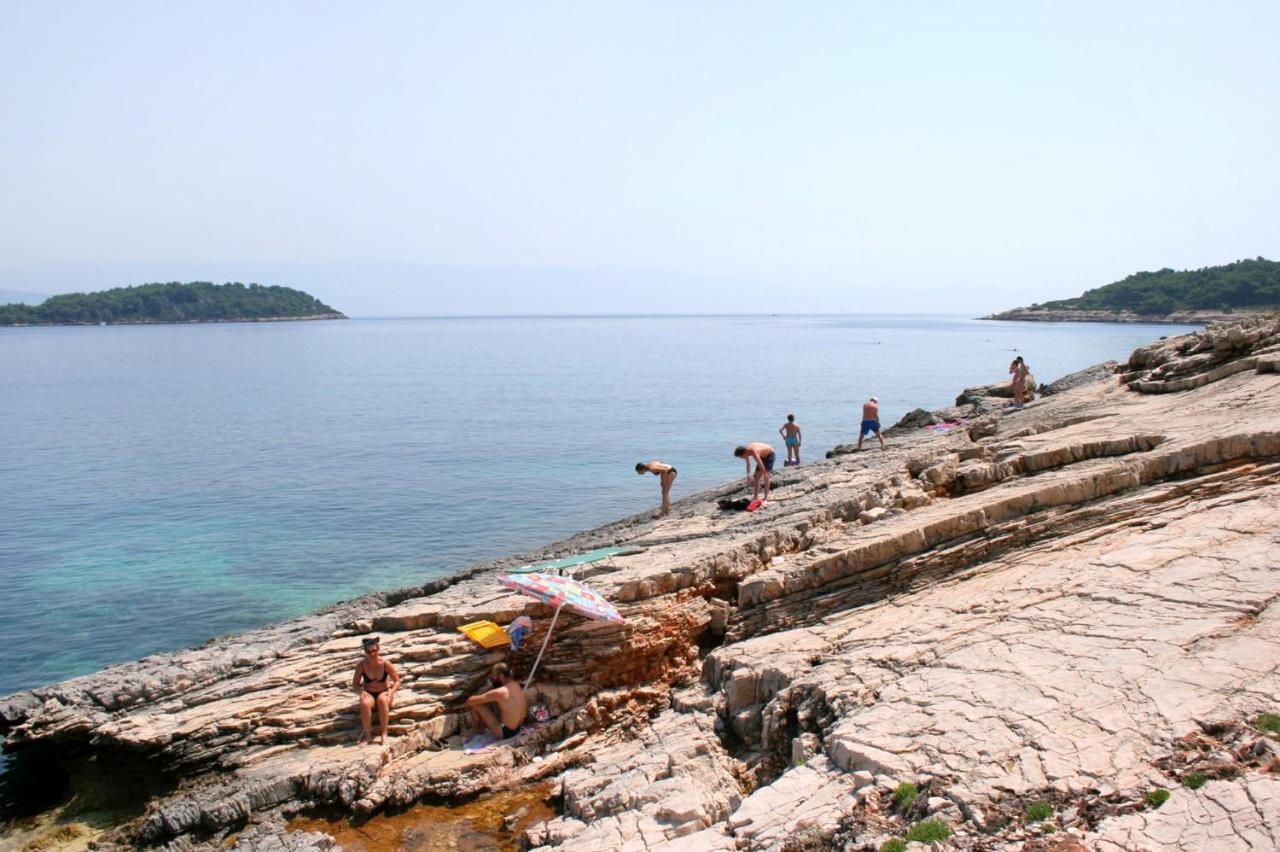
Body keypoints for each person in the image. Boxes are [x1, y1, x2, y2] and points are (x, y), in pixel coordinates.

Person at [351, 636, 400, 746]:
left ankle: (384, 734)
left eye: (374, 650)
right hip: (369, 692)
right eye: (369, 652)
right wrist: (360, 692)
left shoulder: (385, 663)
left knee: (382, 700)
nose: (372, 654)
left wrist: (391, 692)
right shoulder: (361, 665)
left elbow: (397, 681)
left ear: (378, 649)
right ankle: (368, 735)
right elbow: (355, 684)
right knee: (364, 702)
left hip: (384, 691)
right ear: (365, 652)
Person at [465, 663, 528, 740]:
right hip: (518, 728)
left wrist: (482, 692)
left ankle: (476, 730)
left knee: (476, 704)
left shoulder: (500, 692)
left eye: (493, 675)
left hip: (505, 732)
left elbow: (469, 701)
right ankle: (481, 728)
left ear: (501, 676)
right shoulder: (516, 684)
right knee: (496, 704)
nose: (492, 678)